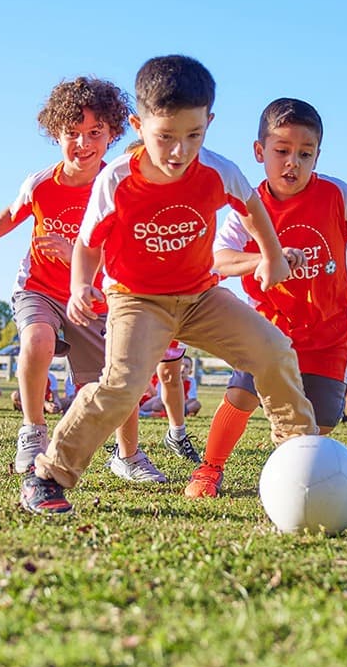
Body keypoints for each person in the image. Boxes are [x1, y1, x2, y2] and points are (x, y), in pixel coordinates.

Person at [23, 54, 317, 515]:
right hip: (137, 301)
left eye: (194, 136)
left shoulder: (219, 171)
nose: (180, 152)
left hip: (201, 297)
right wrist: (81, 285)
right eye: (166, 138)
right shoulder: (117, 179)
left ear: (209, 123)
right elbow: (86, 244)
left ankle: (302, 460)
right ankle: (49, 475)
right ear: (139, 126)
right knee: (123, 387)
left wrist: (273, 257)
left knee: (274, 350)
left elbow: (251, 208)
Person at [0, 76, 165, 481]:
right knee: (37, 339)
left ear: (113, 133)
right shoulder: (42, 183)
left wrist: (76, 256)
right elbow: (11, 216)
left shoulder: (117, 185)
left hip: (90, 296)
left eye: (94, 133)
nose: (83, 144)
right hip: (39, 289)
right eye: (72, 134)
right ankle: (33, 433)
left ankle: (128, 455)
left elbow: (125, 254)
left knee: (115, 377)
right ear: (56, 133)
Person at [184, 97, 347, 498]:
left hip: (329, 332)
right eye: (282, 151)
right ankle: (209, 469)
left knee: (317, 428)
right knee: (240, 394)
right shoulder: (247, 206)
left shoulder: (336, 195)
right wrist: (266, 257)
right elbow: (219, 258)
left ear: (318, 155)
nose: (292, 163)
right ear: (259, 151)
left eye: (305, 153)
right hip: (269, 329)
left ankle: (289, 476)